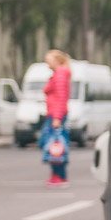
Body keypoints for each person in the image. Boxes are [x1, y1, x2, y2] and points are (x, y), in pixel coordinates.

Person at [42, 49, 72, 186]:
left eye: (48, 60)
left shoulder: (60, 74)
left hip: (56, 115)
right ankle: (58, 174)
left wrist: (57, 118)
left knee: (55, 146)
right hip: (55, 114)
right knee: (56, 145)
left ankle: (58, 175)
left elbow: (61, 98)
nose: (46, 63)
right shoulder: (59, 74)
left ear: (56, 60)